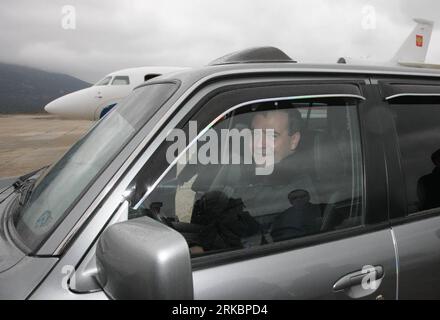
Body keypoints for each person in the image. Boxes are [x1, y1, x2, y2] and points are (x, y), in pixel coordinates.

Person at [189, 101, 319, 254]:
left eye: (272, 136)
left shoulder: (297, 198)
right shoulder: (255, 176)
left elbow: (272, 263)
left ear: (294, 140)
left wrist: (205, 254)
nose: (259, 144)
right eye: (255, 134)